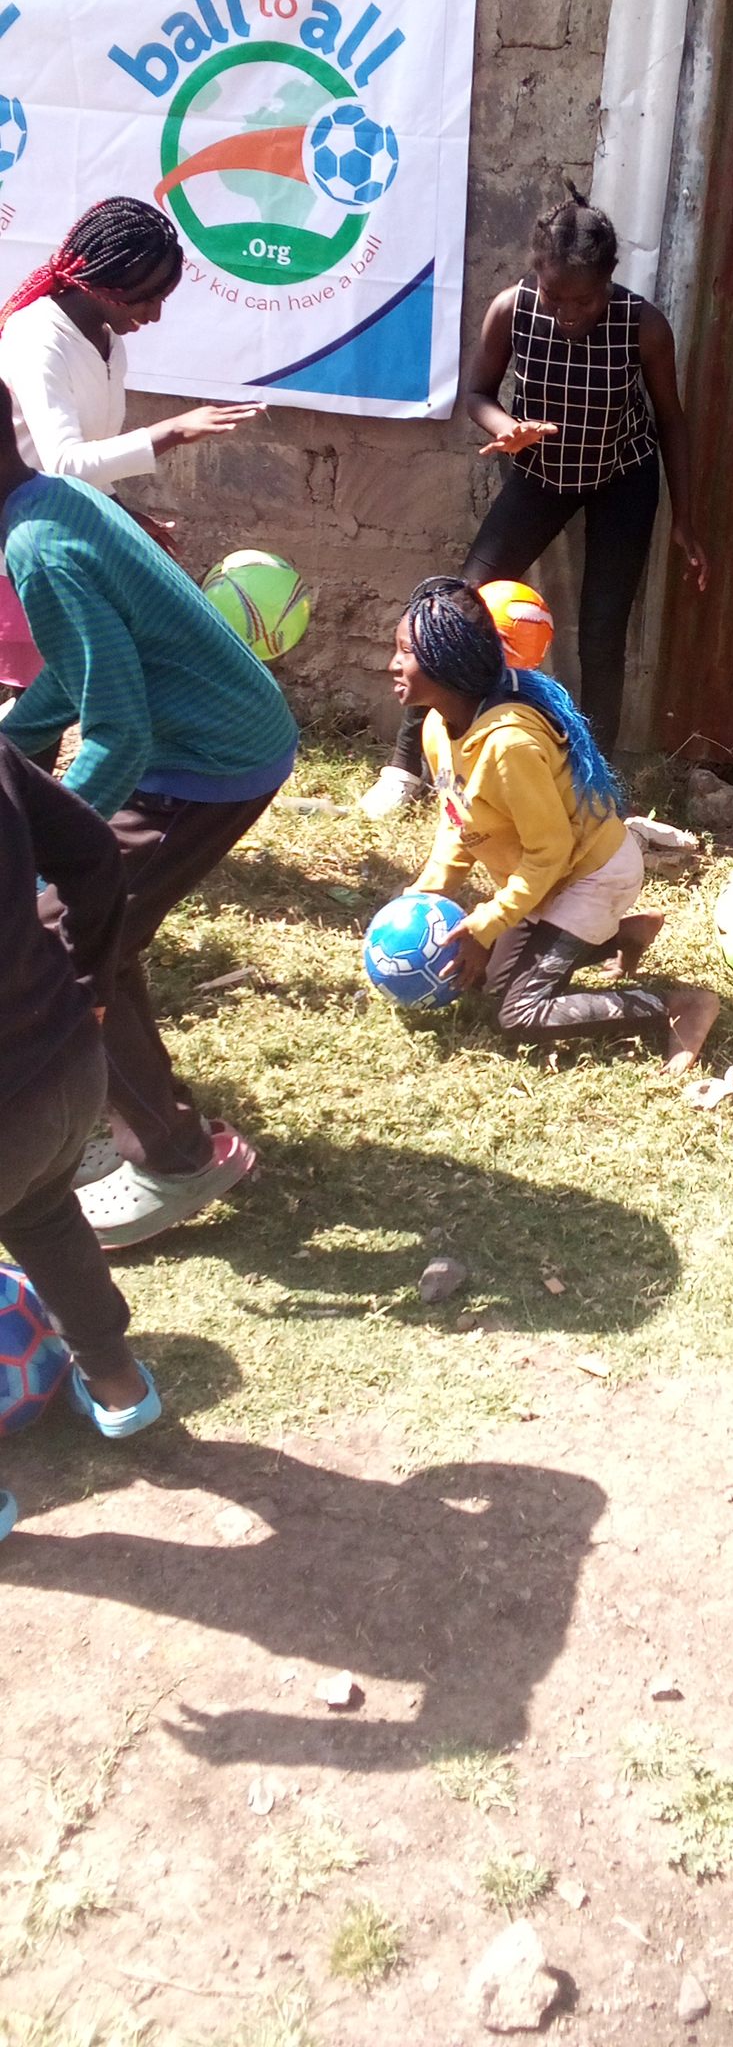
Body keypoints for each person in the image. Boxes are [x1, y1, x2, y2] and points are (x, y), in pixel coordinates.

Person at [0, 382, 298, 1249]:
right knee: (100, 927)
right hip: (214, 740)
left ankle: (177, 1159)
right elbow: (85, 670)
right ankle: (153, 1126)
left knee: (58, 935)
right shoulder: (52, 501)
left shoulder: (39, 550)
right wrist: (11, 744)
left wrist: (38, 846)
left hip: (206, 766)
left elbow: (120, 730)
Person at [363, 188, 709, 817]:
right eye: (555, 296)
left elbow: (671, 420)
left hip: (621, 476)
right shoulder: (513, 308)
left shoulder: (643, 325)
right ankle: (405, 766)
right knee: (460, 606)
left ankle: (594, 786)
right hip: (540, 473)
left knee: (602, 631)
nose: (568, 313)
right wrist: (506, 429)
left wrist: (684, 516)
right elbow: (477, 392)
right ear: (537, 275)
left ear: (609, 280)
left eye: (584, 301)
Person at [392, 576, 719, 1071]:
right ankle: (620, 935)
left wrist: (488, 922)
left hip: (590, 874)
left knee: (518, 1013)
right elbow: (458, 819)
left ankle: (676, 1006)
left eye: (405, 652)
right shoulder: (439, 726)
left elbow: (551, 853)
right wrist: (426, 893)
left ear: (447, 663)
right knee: (482, 980)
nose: (393, 665)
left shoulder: (509, 746)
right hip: (547, 878)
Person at [0, 196, 259, 687]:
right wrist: (172, 432)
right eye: (145, 299)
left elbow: (91, 452)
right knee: (40, 710)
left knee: (52, 707)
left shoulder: (107, 341)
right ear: (104, 285)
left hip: (54, 547)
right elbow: (62, 463)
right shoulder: (38, 337)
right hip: (15, 556)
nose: (155, 315)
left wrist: (123, 515)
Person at [0, 737, 160, 1439]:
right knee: (42, 1214)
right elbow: (94, 851)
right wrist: (90, 984)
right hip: (65, 1064)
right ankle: (122, 1391)